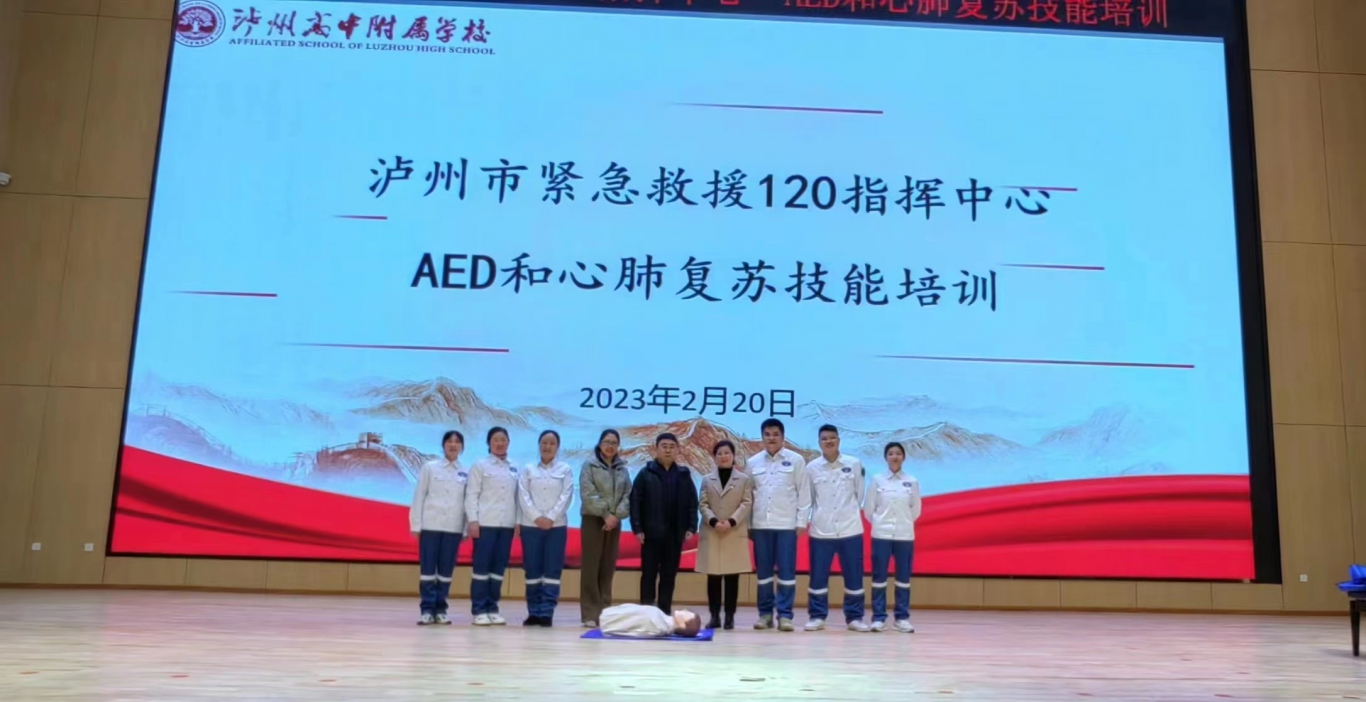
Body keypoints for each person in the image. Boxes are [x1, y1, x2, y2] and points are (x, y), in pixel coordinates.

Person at [745, 418, 810, 632]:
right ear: (762, 437)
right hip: (760, 526)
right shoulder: (753, 462)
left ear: (782, 437)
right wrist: (748, 524)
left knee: (786, 573)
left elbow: (804, 493)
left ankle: (785, 615)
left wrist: (802, 521)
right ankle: (765, 615)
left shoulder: (796, 460)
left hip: (786, 526)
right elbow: (748, 496)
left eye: (775, 434)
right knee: (763, 574)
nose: (771, 438)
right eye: (767, 434)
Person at [804, 424, 869, 632]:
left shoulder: (854, 464)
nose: (829, 442)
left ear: (838, 440)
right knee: (818, 576)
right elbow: (809, 498)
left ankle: (855, 617)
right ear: (819, 443)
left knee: (854, 576)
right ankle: (817, 616)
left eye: (832, 438)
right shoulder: (811, 468)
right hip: (821, 530)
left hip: (850, 529)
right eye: (824, 439)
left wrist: (847, 513)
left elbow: (859, 495)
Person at [630, 432, 699, 615]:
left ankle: (664, 612)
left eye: (671, 447)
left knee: (669, 576)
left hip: (674, 534)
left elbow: (692, 502)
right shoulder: (645, 474)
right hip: (651, 534)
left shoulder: (683, 475)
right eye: (664, 446)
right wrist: (637, 528)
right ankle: (646, 613)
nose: (668, 450)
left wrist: (692, 526)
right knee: (649, 575)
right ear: (656, 449)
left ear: (677, 450)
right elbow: (635, 501)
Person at [409, 430, 468, 625]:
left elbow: (467, 502)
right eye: (449, 441)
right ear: (443, 445)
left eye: (457, 442)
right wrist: (416, 525)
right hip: (430, 526)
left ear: (462, 447)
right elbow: (419, 496)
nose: (453, 445)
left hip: (453, 528)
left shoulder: (466, 472)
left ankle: (441, 609)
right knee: (428, 571)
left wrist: (465, 529)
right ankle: (426, 610)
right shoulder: (430, 468)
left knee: (445, 572)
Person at [518, 429, 574, 627]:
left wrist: (550, 518)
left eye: (552, 443)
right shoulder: (528, 469)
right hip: (530, 526)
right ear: (539, 445)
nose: (547, 446)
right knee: (532, 570)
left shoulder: (565, 469)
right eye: (544, 443)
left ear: (557, 447)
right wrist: (536, 517)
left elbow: (566, 495)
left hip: (556, 527)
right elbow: (523, 495)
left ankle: (546, 612)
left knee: (552, 570)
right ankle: (533, 612)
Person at [696, 440, 753, 631]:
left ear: (733, 456)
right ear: (714, 457)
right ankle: (714, 617)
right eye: (719, 453)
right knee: (713, 577)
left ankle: (729, 617)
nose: (723, 456)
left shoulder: (744, 479)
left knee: (731, 578)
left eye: (727, 453)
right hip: (712, 531)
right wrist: (713, 521)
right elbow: (703, 504)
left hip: (733, 531)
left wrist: (731, 521)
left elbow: (746, 503)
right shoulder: (707, 479)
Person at [865, 441, 922, 633]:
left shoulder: (911, 481)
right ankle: (878, 618)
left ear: (903, 457)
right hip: (881, 534)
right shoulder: (877, 480)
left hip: (904, 535)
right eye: (890, 453)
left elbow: (916, 509)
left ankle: (902, 618)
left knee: (903, 578)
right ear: (885, 457)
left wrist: (903, 523)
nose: (894, 457)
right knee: (879, 578)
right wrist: (880, 523)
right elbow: (869, 509)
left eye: (898, 453)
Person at [465, 426, 519, 626]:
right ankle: (479, 609)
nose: (500, 443)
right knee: (482, 568)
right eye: (496, 439)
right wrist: (473, 520)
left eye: (503, 439)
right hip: (485, 524)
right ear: (489, 443)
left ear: (508, 442)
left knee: (498, 569)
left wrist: (517, 522)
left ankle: (493, 607)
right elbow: (472, 494)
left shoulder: (515, 467)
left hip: (506, 525)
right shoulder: (480, 465)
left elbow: (518, 498)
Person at [578, 428, 631, 628]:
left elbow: (628, 495)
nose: (610, 446)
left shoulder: (622, 469)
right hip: (593, 520)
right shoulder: (589, 466)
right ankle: (590, 613)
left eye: (614, 443)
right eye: (607, 442)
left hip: (614, 523)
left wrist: (616, 516)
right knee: (591, 567)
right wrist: (605, 514)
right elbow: (587, 493)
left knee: (608, 567)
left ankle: (605, 612)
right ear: (600, 444)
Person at [598, 603, 702, 638]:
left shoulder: (658, 625)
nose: (685, 610)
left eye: (687, 614)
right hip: (609, 616)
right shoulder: (661, 619)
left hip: (609, 621)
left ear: (682, 625)